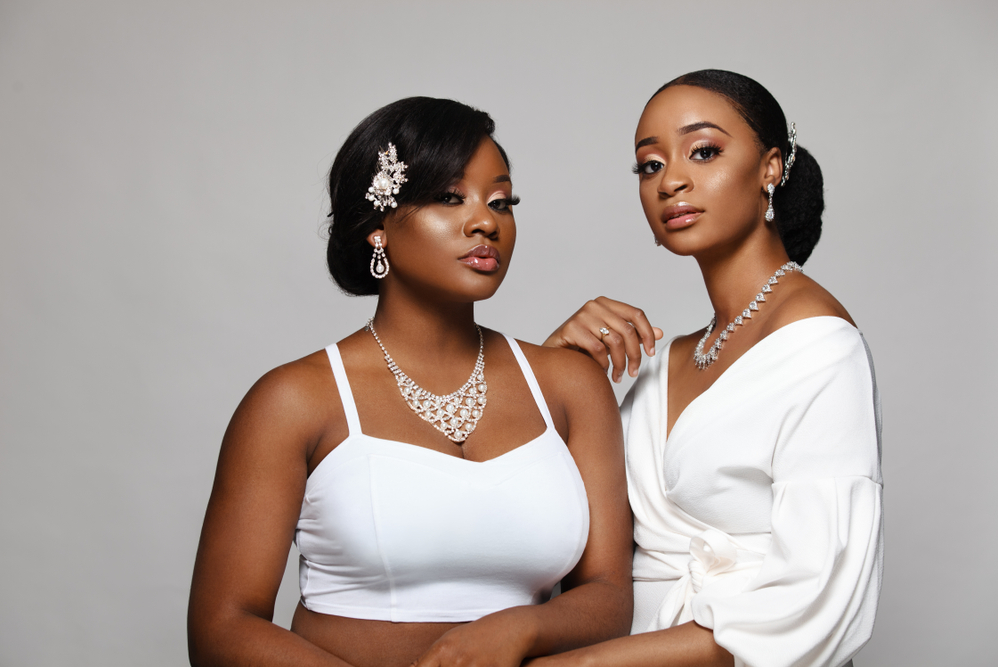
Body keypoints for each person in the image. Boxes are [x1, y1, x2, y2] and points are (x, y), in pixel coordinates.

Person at [187, 97, 633, 667]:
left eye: (501, 201)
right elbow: (222, 628)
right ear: (378, 227)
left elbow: (608, 596)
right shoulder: (295, 401)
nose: (486, 222)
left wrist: (519, 629)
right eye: (450, 197)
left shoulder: (570, 386)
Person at [538, 70, 883, 667]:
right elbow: (567, 538)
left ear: (770, 168)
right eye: (649, 165)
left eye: (703, 151)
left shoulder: (818, 346)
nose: (670, 181)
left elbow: (815, 599)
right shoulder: (663, 363)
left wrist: (584, 664)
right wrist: (557, 374)